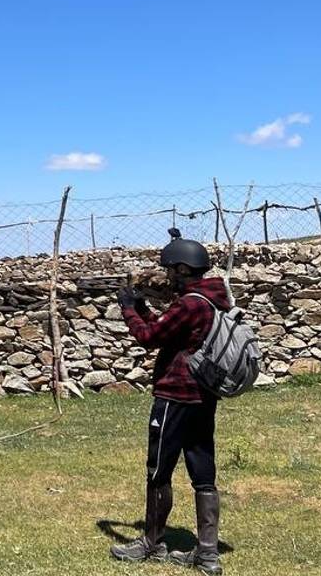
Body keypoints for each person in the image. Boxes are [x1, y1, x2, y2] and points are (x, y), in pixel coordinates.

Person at [109, 230, 228, 575]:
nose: (167, 276)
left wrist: (130, 310)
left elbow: (148, 338)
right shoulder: (212, 299)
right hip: (204, 396)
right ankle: (207, 554)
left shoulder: (188, 303)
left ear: (181, 268)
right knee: (202, 471)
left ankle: (152, 542)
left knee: (159, 470)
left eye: (170, 270)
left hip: (175, 395)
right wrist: (146, 310)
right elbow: (167, 332)